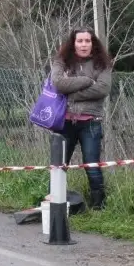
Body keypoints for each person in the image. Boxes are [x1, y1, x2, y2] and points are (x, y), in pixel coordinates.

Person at [50, 28, 112, 210]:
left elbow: (102, 89)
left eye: (87, 41)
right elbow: (58, 84)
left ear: (93, 43)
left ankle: (99, 208)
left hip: (90, 122)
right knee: (59, 166)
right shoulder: (61, 61)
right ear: (73, 43)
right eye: (80, 41)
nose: (84, 44)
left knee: (92, 166)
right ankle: (54, 203)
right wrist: (85, 80)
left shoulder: (102, 64)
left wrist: (71, 94)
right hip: (65, 122)